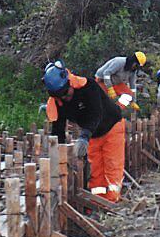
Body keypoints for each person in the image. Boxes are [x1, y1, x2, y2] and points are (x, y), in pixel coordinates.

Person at [43, 60, 126, 202]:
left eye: (66, 93)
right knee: (95, 171)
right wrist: (58, 154)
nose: (65, 97)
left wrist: (84, 136)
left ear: (69, 82)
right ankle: (98, 201)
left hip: (111, 126)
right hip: (93, 134)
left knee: (112, 166)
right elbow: (58, 130)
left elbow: (96, 114)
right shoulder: (59, 102)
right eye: (60, 96)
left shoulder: (88, 87)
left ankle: (112, 201)